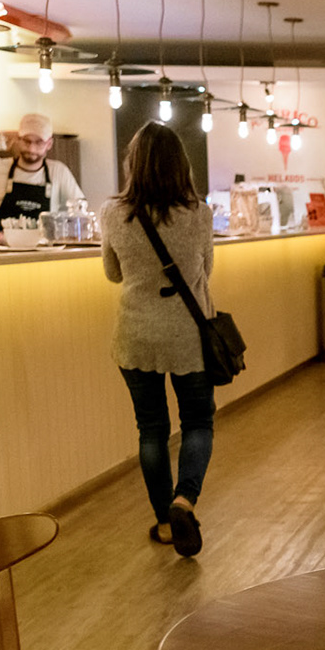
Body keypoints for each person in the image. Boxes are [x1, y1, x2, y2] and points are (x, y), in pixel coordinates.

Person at [101, 122, 217, 557]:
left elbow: (113, 273)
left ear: (133, 163)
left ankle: (165, 524)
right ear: (180, 164)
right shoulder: (199, 213)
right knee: (198, 422)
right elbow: (206, 271)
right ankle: (184, 500)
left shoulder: (113, 213)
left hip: (136, 334)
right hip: (188, 335)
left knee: (151, 429)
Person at [0, 112, 84, 238]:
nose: (31, 148)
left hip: (41, 249)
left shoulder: (59, 172)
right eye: (27, 141)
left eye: (39, 142)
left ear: (49, 144)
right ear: (18, 139)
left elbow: (80, 211)